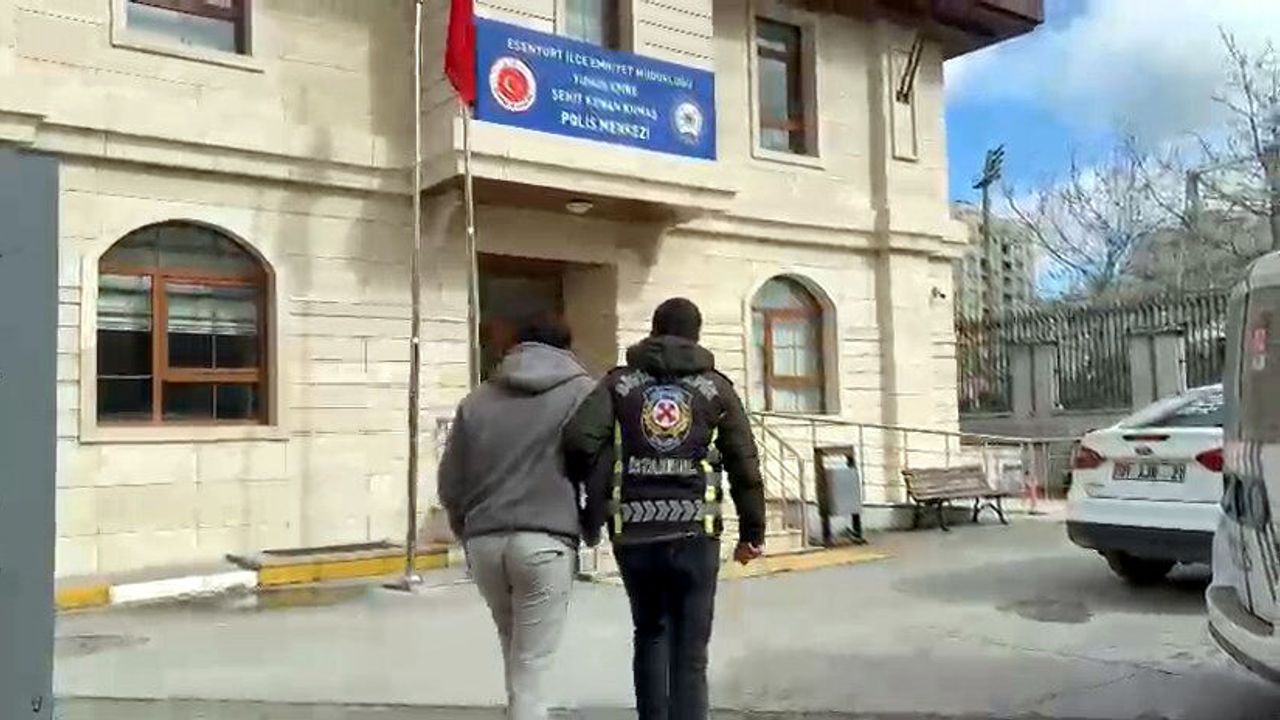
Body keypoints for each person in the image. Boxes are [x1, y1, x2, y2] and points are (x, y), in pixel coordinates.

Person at [564, 297, 766, 720]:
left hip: (634, 532)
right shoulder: (717, 388)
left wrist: (594, 498)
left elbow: (580, 440)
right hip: (695, 533)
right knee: (691, 652)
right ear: (696, 335)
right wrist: (753, 533)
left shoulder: (618, 384)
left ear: (654, 332)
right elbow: (744, 465)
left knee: (650, 634)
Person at [438, 314, 595, 720]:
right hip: (546, 541)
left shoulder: (477, 400)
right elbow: (597, 461)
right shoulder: (582, 393)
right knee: (532, 665)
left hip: (485, 541)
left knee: (514, 647)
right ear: (565, 346)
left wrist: (464, 526)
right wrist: (592, 521)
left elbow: (451, 478)